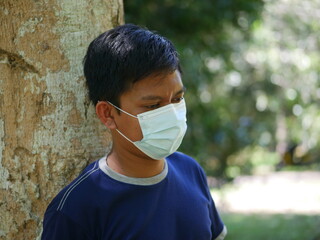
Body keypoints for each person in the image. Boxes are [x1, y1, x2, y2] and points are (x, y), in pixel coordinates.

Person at [41, 23, 227, 240]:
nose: (171, 114)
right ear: (108, 114)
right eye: (152, 106)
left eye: (177, 99)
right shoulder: (77, 208)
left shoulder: (191, 171)